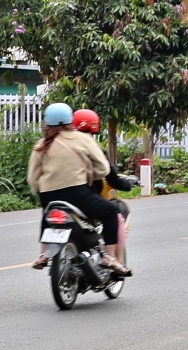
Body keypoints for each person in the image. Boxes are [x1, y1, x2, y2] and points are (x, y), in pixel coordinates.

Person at [29, 102, 130, 275]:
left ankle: (43, 255)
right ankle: (110, 258)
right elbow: (103, 168)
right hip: (78, 194)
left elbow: (32, 177)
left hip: (47, 196)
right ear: (70, 120)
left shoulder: (41, 144)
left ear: (47, 122)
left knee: (48, 215)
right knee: (111, 214)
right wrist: (92, 176)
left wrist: (40, 190)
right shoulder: (83, 139)